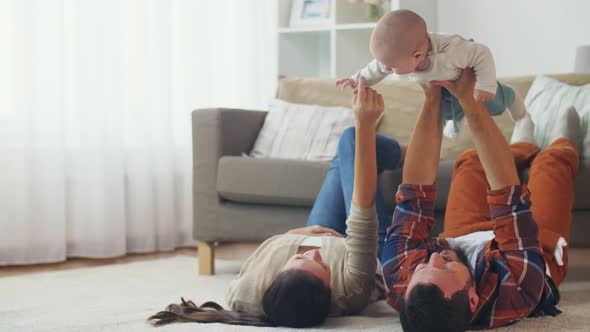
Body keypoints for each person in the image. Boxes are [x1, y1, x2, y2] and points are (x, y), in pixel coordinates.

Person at [149, 80, 405, 327]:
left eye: (298, 259)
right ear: (331, 290)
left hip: (320, 231)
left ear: (275, 280)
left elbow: (272, 250)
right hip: (365, 248)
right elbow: (362, 210)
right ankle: (399, 154)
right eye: (322, 265)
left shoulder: (244, 295)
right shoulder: (352, 290)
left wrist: (299, 234)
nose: (314, 253)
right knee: (352, 137)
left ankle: (386, 154)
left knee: (343, 157)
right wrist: (365, 122)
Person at [381, 68, 581, 331]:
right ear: (473, 300)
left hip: (465, 236)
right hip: (537, 247)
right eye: (447, 266)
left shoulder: (401, 278)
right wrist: (469, 101)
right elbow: (509, 199)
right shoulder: (517, 288)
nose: (436, 258)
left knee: (470, 161)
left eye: (425, 266)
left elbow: (414, 195)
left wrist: (432, 97)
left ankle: (525, 138)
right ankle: (563, 141)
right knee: (552, 164)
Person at [336, 9, 533, 139]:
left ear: (418, 55)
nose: (385, 69)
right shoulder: (398, 56)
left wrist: (486, 85)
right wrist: (357, 79)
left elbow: (482, 53)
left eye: (390, 66)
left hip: (468, 81)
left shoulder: (452, 53)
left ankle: (518, 109)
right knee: (443, 109)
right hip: (443, 85)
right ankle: (456, 117)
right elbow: (375, 68)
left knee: (497, 104)